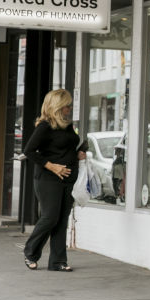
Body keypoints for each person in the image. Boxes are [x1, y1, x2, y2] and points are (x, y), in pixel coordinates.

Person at [22, 89, 86, 272]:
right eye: (67, 105)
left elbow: (64, 149)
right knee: (50, 217)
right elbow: (29, 151)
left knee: (62, 219)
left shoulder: (67, 125)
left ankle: (58, 261)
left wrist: (78, 154)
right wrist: (52, 166)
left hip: (68, 178)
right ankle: (30, 252)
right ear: (58, 106)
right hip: (48, 179)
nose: (70, 107)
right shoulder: (45, 126)